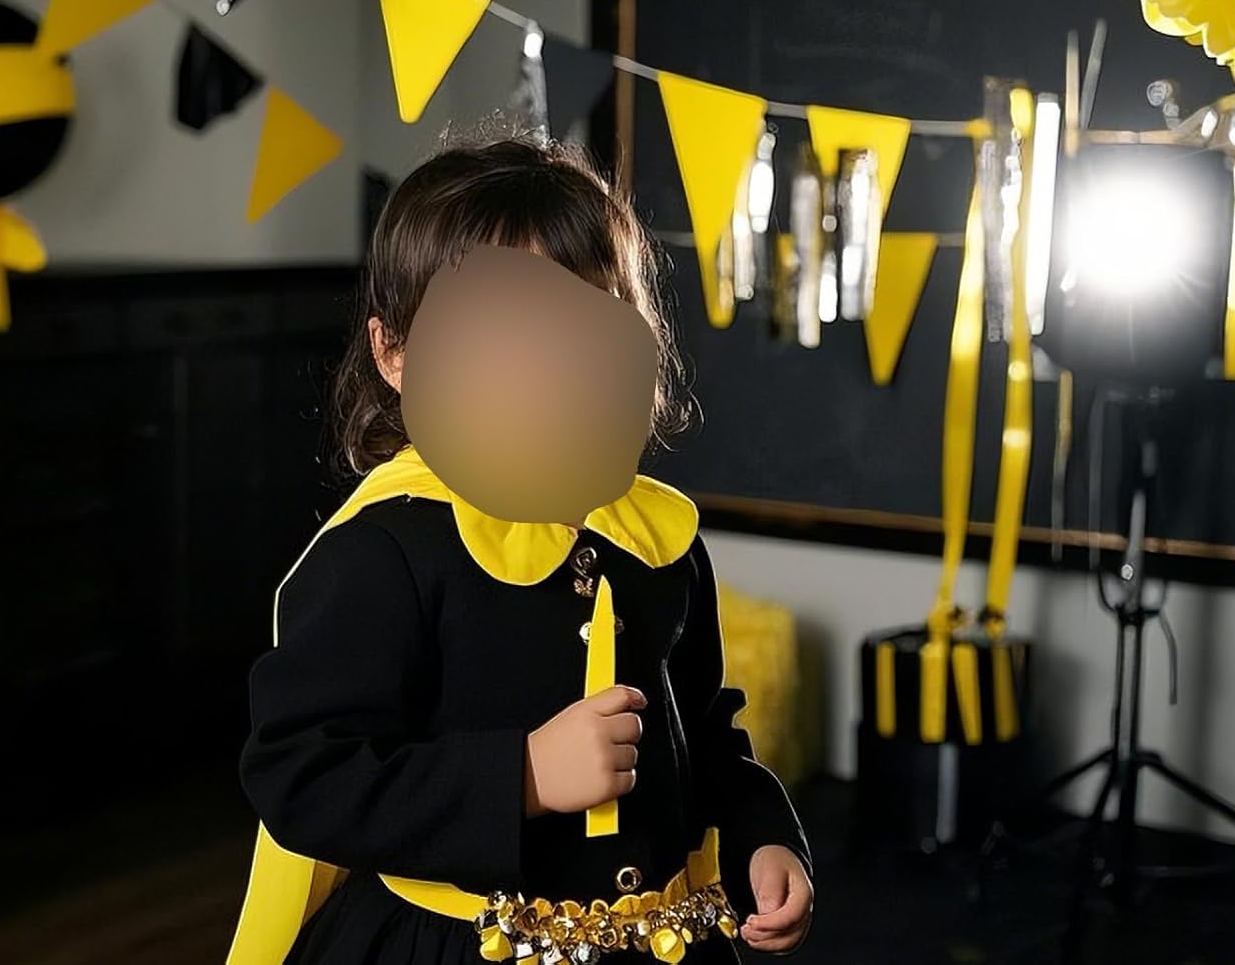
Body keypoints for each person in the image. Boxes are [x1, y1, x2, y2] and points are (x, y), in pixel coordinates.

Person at [228, 133, 813, 964]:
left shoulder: (655, 539)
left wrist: (763, 835)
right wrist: (524, 775)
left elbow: (706, 730)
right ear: (396, 355)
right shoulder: (385, 548)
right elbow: (306, 777)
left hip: (660, 939)